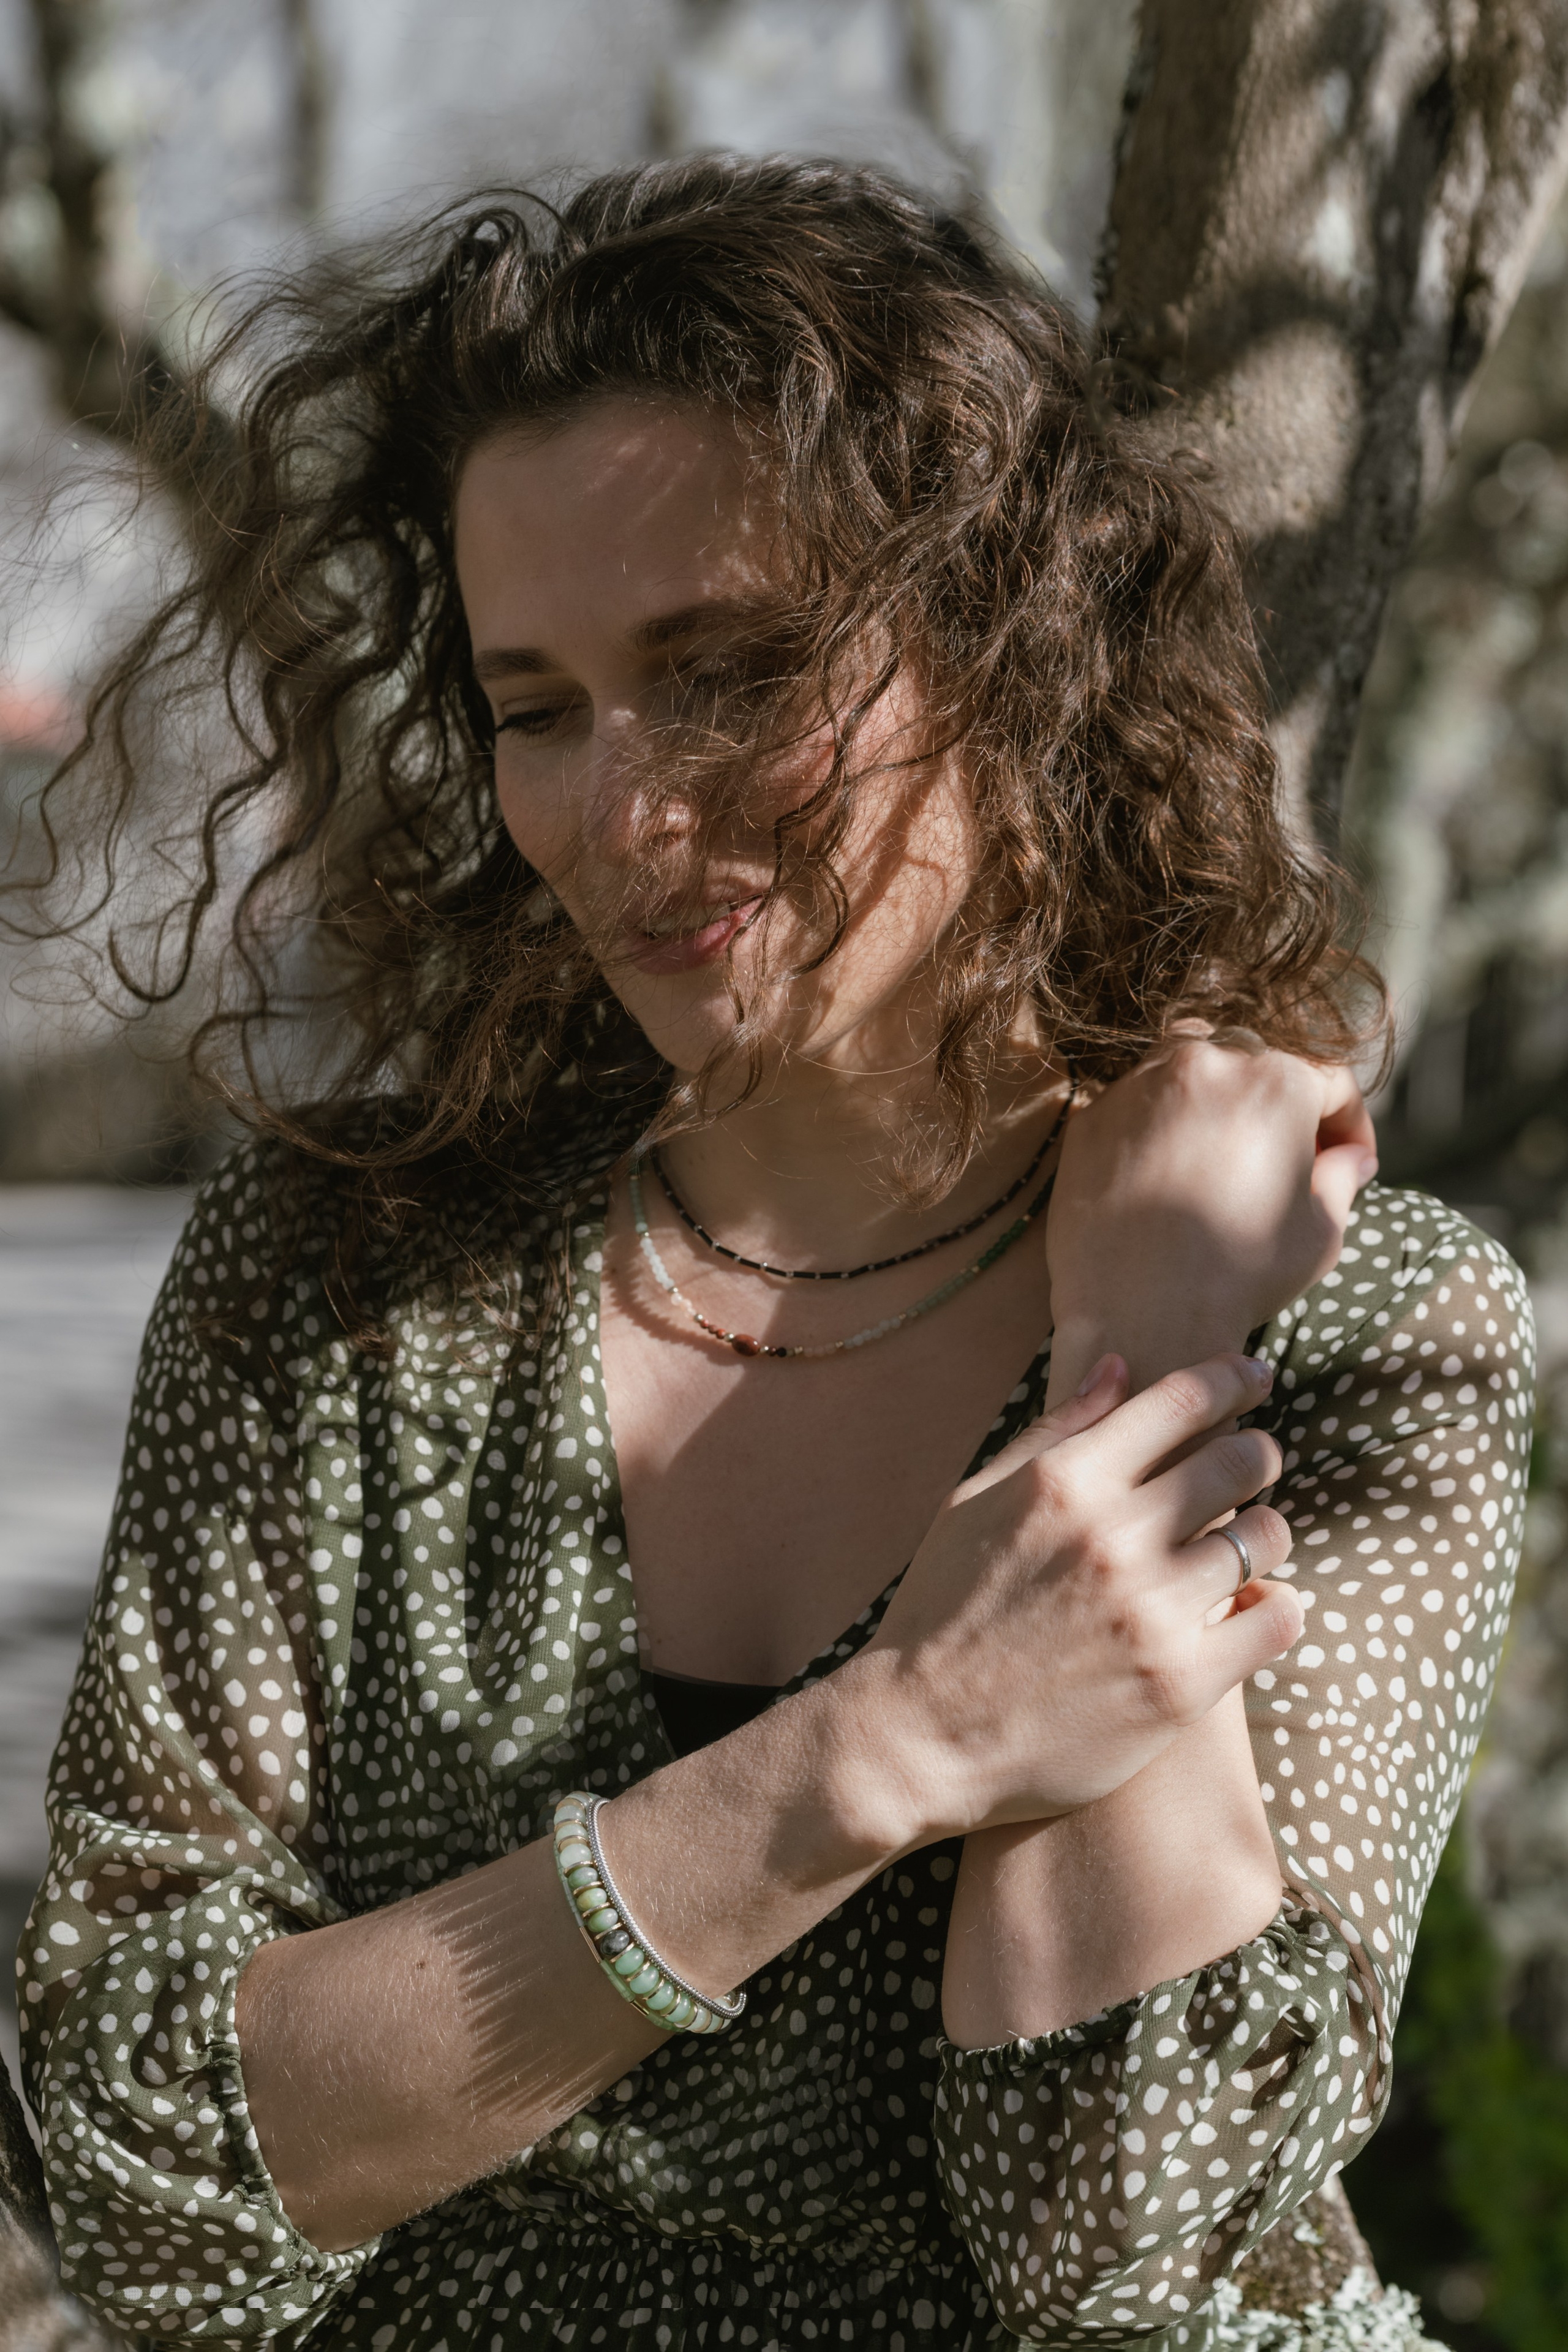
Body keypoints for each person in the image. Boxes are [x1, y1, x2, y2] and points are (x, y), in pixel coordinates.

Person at [17, 157, 1532, 2350]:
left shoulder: (1364, 1331)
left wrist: (1137, 1350)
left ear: (1012, 647)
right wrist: (883, 1750)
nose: (623, 813)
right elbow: (145, 2170)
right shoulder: (352, 1271)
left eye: (725, 669)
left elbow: (1133, 2257)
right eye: (538, 708)